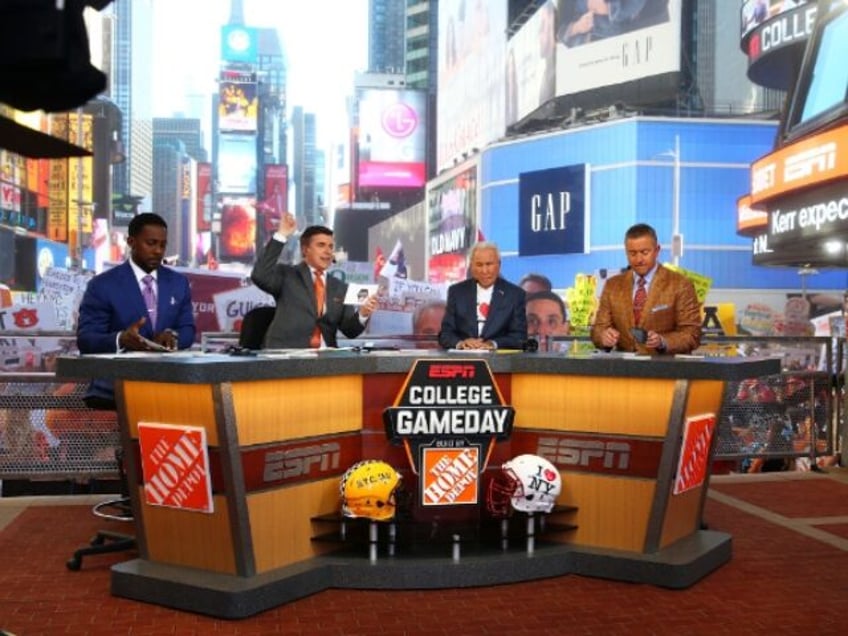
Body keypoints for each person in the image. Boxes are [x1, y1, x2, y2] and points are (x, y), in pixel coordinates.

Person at [77, 213, 196, 408]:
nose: (158, 251)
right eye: (151, 243)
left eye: (162, 245)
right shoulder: (102, 286)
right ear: (131, 242)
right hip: (114, 393)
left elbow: (188, 329)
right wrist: (120, 339)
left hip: (168, 389)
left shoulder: (178, 283)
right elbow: (87, 339)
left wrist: (173, 337)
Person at [250, 212, 377, 348]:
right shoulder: (287, 275)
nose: (328, 251)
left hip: (325, 360)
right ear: (305, 250)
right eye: (321, 245)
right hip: (287, 357)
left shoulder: (339, 287)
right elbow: (259, 275)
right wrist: (281, 235)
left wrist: (363, 314)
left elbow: (350, 331)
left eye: (330, 246)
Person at [591, 223, 701, 354]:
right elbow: (598, 329)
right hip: (624, 370)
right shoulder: (612, 285)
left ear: (657, 250)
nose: (639, 259)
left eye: (644, 252)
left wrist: (662, 341)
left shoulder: (680, 284)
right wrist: (603, 337)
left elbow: (692, 335)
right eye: (632, 253)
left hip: (665, 369)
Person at [438, 242, 527, 351]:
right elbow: (445, 334)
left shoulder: (514, 294)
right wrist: (461, 343)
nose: (484, 271)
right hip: (465, 358)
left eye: (489, 264)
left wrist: (492, 344)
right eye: (479, 265)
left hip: (499, 361)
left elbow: (519, 337)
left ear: (498, 265)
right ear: (471, 266)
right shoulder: (456, 292)